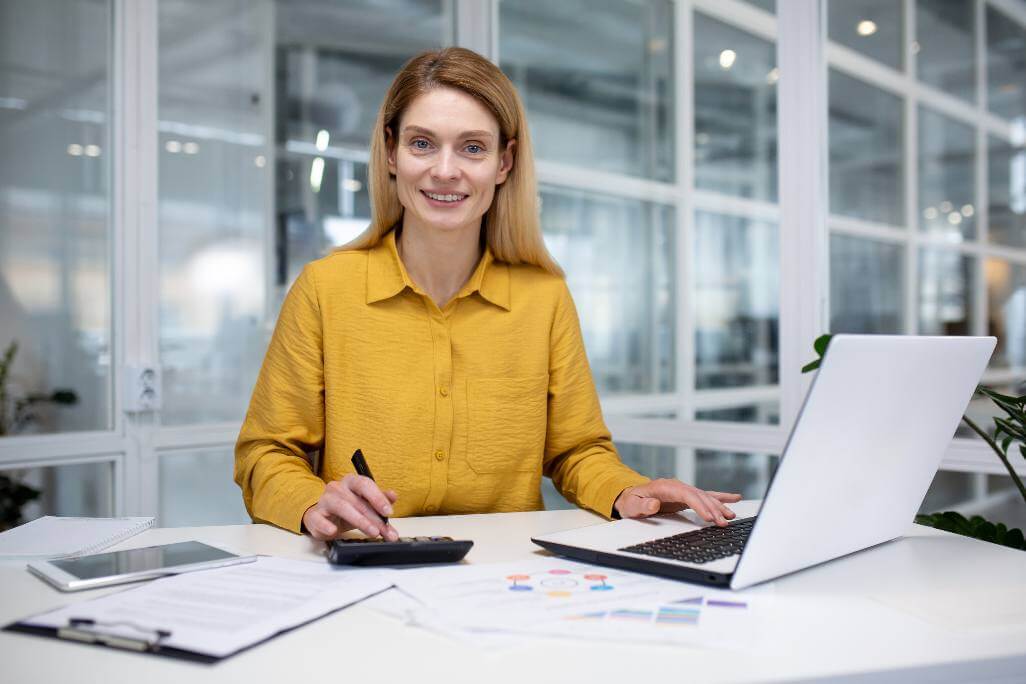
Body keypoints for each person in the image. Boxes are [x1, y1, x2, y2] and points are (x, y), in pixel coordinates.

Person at [234, 47, 741, 542]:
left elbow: (576, 451)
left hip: (502, 579)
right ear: (391, 152)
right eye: (422, 144)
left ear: (504, 162)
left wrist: (630, 490)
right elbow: (265, 454)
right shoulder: (325, 289)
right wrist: (311, 502)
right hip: (366, 570)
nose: (446, 170)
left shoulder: (544, 297)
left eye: (472, 147)